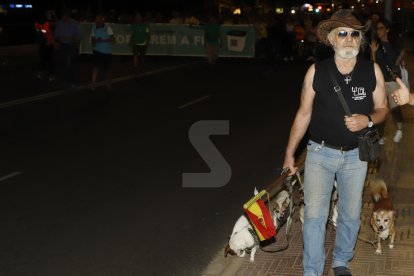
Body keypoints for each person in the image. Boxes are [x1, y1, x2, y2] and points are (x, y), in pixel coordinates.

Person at [282, 10, 388, 276]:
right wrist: (289, 153)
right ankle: (312, 271)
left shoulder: (370, 70)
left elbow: (382, 108)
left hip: (355, 157)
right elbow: (303, 114)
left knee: (351, 216)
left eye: (355, 34)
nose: (349, 39)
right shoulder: (316, 71)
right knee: (316, 217)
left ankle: (341, 261)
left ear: (360, 40)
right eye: (342, 33)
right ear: (331, 40)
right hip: (319, 153)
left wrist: (368, 120)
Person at [369, 18, 404, 143]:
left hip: (393, 79)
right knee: (381, 108)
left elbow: (402, 51)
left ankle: (399, 130)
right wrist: (373, 52)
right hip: (380, 81)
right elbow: (372, 64)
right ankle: (381, 136)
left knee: (395, 107)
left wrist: (398, 61)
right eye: (377, 28)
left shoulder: (394, 43)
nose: (378, 31)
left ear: (387, 29)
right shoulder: (375, 44)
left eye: (381, 28)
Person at [54, 10, 81, 88]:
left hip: (72, 45)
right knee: (68, 64)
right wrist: (59, 39)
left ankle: (68, 81)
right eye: (63, 17)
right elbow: (56, 36)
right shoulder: (59, 23)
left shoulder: (75, 23)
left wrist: (70, 37)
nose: (64, 19)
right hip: (62, 46)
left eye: (66, 17)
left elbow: (79, 37)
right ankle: (73, 81)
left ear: (69, 16)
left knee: (68, 63)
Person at [91, 14, 114, 90]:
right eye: (95, 19)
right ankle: (93, 84)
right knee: (95, 67)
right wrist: (94, 41)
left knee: (108, 69)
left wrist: (102, 40)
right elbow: (93, 41)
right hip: (97, 51)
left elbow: (113, 39)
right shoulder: (93, 28)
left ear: (102, 20)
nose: (96, 21)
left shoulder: (108, 28)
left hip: (107, 52)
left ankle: (108, 83)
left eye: (98, 19)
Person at [35, 12, 55, 81]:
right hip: (45, 44)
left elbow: (42, 31)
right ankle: (47, 75)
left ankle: (44, 74)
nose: (41, 19)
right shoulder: (45, 23)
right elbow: (45, 32)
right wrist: (42, 31)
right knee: (46, 60)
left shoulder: (38, 23)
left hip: (45, 44)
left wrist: (40, 30)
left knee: (46, 60)